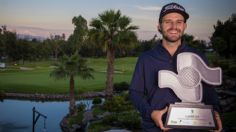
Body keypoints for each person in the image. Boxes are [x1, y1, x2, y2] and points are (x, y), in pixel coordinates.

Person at [129, 2, 222, 132]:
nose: (174, 26)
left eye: (179, 22)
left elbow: (209, 92)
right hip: (155, 128)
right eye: (168, 21)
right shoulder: (146, 58)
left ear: (184, 26)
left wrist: (215, 113)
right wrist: (151, 113)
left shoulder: (197, 56)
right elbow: (135, 92)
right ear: (159, 26)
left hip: (194, 128)